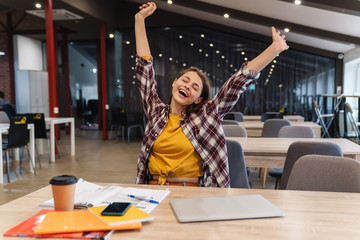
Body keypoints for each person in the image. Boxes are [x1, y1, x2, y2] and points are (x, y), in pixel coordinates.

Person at [135, 2, 289, 187]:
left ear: (198, 99)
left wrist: (275, 49)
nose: (187, 86)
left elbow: (238, 82)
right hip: (153, 191)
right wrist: (139, 19)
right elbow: (145, 70)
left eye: (195, 87)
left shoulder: (205, 115)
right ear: (175, 83)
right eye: (184, 80)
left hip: (191, 192)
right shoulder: (155, 112)